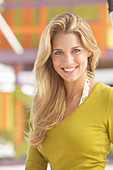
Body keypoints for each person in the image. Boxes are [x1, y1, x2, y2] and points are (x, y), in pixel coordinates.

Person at [25, 12, 113, 170]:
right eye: (58, 52)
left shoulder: (107, 99)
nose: (68, 61)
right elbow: (34, 165)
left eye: (76, 51)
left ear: (89, 51)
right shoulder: (42, 103)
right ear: (50, 58)